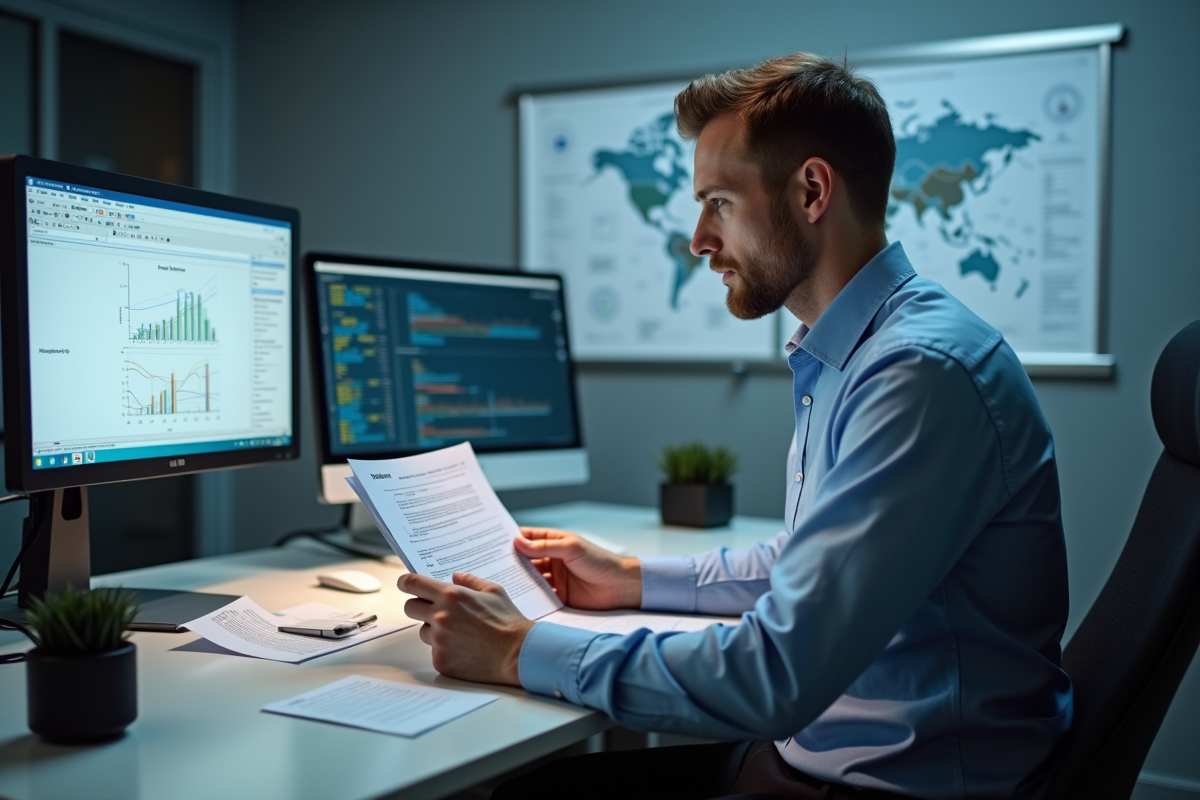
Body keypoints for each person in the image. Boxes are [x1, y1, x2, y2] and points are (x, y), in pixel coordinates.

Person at [400, 52, 1073, 800]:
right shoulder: (861, 352)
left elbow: (776, 673)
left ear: (812, 191)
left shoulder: (919, 373)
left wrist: (520, 650)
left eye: (719, 201)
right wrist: (630, 579)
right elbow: (813, 562)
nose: (697, 238)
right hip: (812, 759)